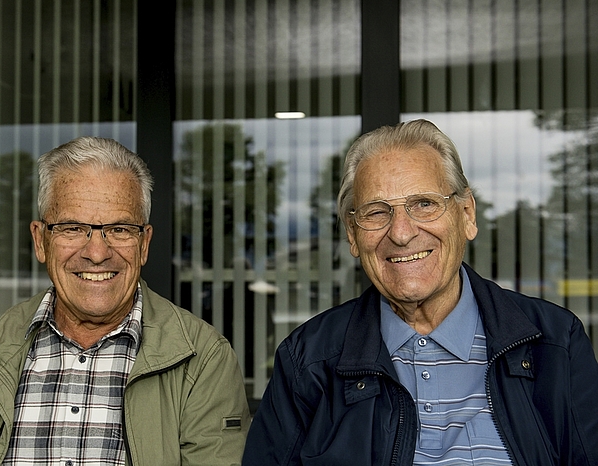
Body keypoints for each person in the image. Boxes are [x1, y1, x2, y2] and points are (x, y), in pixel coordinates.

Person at [243, 119, 598, 465]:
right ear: (352, 235)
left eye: (424, 204)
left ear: (466, 214)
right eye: (376, 212)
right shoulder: (308, 361)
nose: (400, 232)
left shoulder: (554, 343)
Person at [0, 137, 250, 465]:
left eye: (119, 229)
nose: (98, 253)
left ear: (144, 244)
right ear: (41, 240)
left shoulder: (203, 359)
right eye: (72, 228)